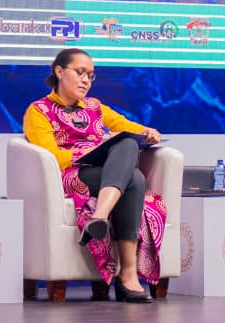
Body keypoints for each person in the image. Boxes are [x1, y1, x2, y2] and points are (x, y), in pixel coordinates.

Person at [23, 48, 165, 302]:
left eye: (90, 75)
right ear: (59, 71)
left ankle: (99, 218)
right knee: (134, 179)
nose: (85, 80)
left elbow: (124, 125)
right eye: (80, 72)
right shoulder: (39, 110)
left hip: (104, 173)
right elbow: (50, 155)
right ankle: (127, 278)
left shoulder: (94, 106)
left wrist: (147, 131)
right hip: (71, 175)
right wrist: (88, 151)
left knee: (129, 150)